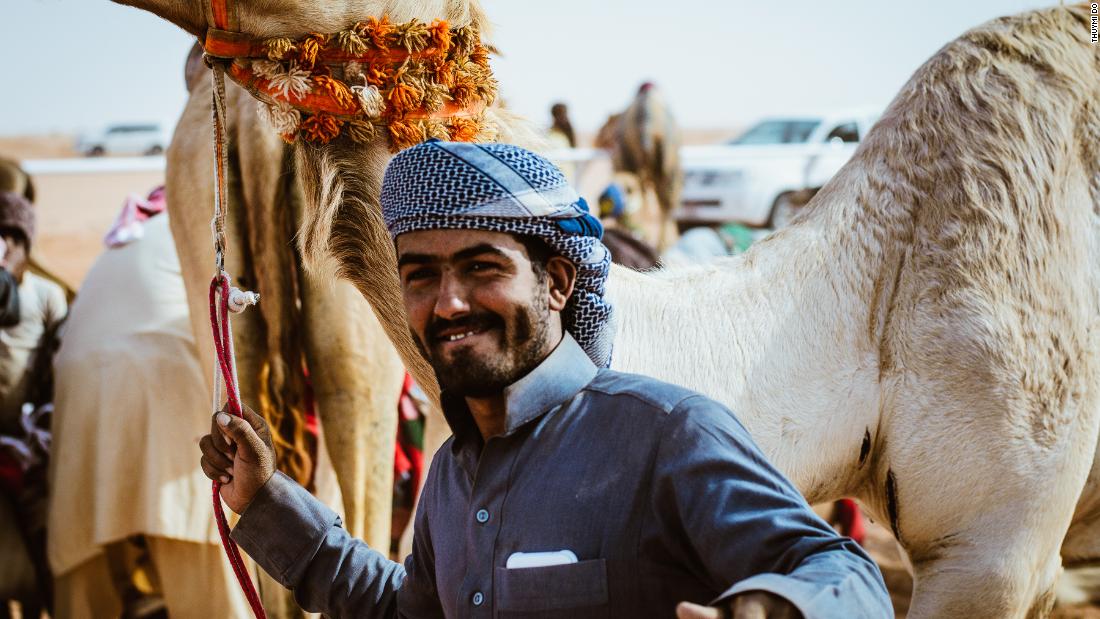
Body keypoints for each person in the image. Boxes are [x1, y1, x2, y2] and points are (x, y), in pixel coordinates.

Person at [199, 141, 891, 618]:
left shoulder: (667, 436)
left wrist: (777, 605)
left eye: (482, 267)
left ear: (557, 282)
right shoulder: (449, 474)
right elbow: (407, 609)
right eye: (422, 277)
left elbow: (845, 573)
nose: (448, 303)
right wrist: (264, 500)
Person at [48, 189, 254, 618]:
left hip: (80, 388)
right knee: (200, 569)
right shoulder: (204, 229)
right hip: (164, 387)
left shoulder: (125, 237)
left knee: (86, 574)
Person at [0, 190, 67, 617]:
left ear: (27, 243)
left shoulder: (46, 294)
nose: (5, 246)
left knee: (42, 544)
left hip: (31, 443)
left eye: (13, 237)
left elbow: (59, 364)